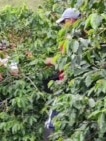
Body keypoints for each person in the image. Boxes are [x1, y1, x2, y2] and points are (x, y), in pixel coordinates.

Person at [43, 8, 81, 141]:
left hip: (67, 83)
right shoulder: (82, 36)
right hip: (75, 83)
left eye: (64, 22)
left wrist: (50, 61)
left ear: (71, 20)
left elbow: (68, 60)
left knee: (51, 121)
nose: (63, 25)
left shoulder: (73, 38)